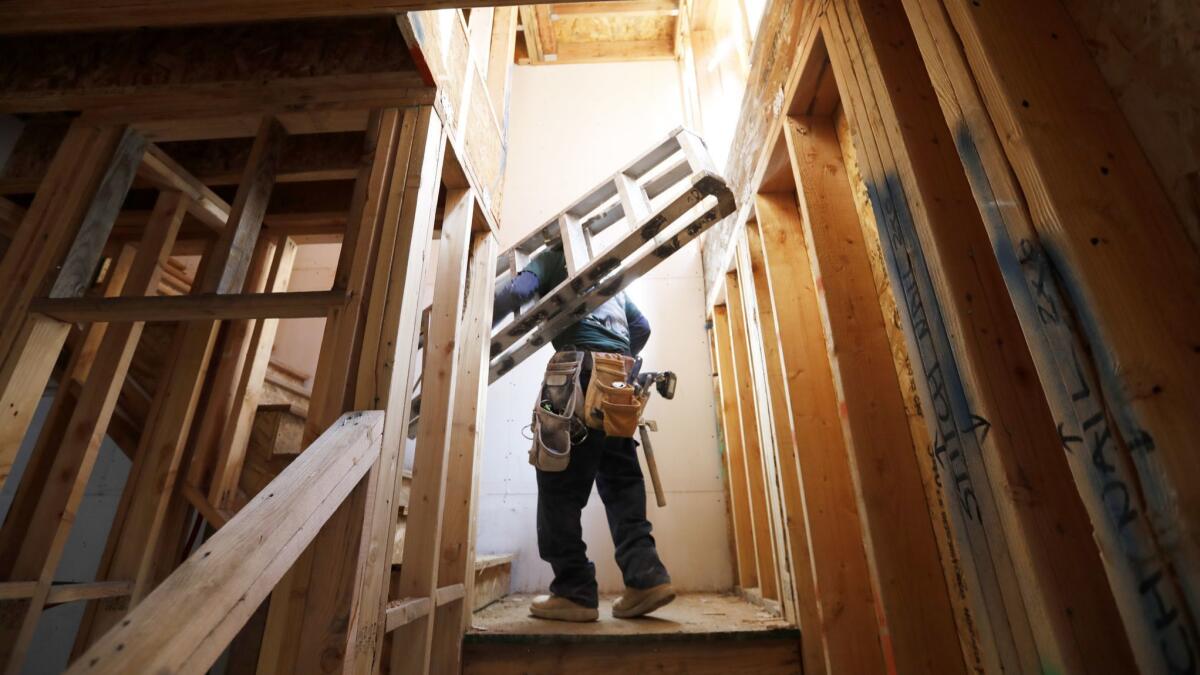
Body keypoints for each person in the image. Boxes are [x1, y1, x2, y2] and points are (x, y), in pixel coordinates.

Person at [493, 244, 674, 622]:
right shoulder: (609, 273)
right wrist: (613, 357)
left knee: (558, 481)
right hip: (619, 384)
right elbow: (642, 328)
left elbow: (519, 292)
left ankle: (574, 591)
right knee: (622, 482)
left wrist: (466, 318)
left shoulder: (553, 255)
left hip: (577, 378)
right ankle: (646, 578)